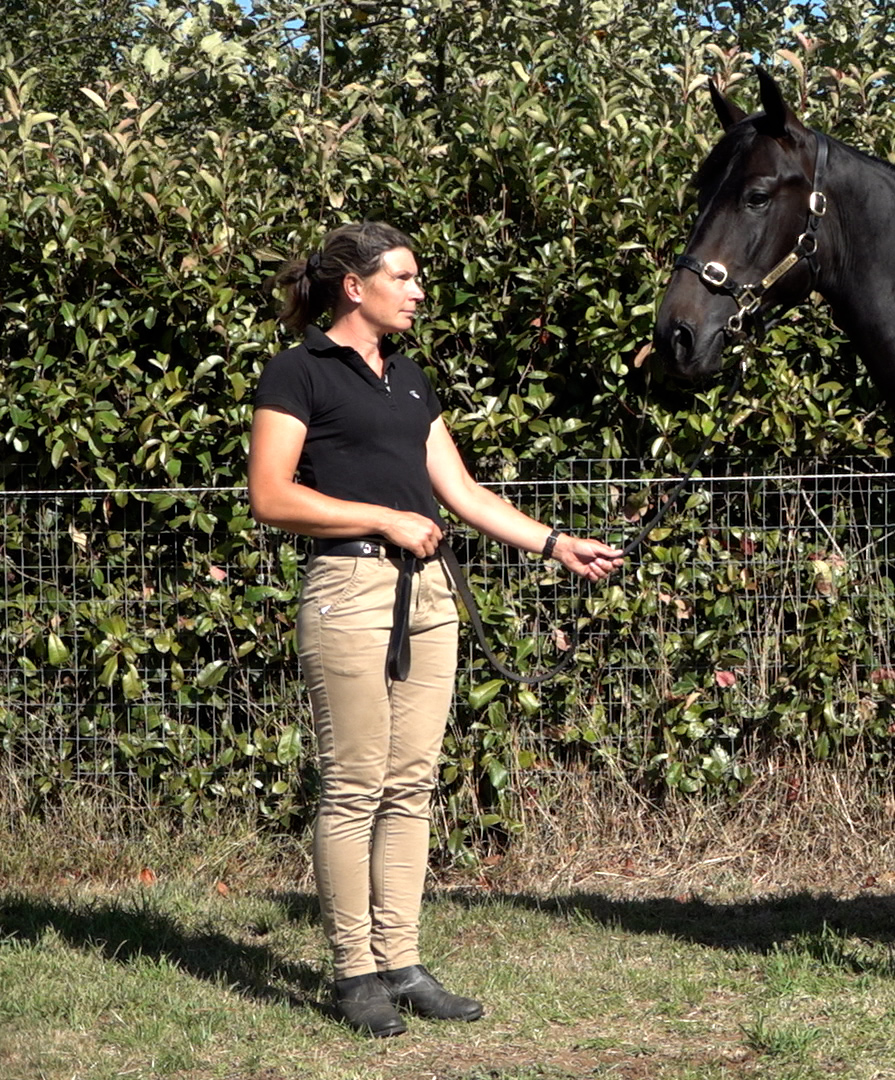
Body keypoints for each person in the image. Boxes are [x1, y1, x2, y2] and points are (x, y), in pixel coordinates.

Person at [248, 221, 623, 1037]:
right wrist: (383, 518)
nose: (419, 292)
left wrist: (556, 544)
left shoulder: (409, 376)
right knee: (354, 786)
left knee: (412, 784)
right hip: (350, 590)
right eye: (405, 277)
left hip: (429, 595)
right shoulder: (298, 370)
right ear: (356, 287)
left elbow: (464, 492)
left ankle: (402, 964)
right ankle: (354, 974)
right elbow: (271, 495)